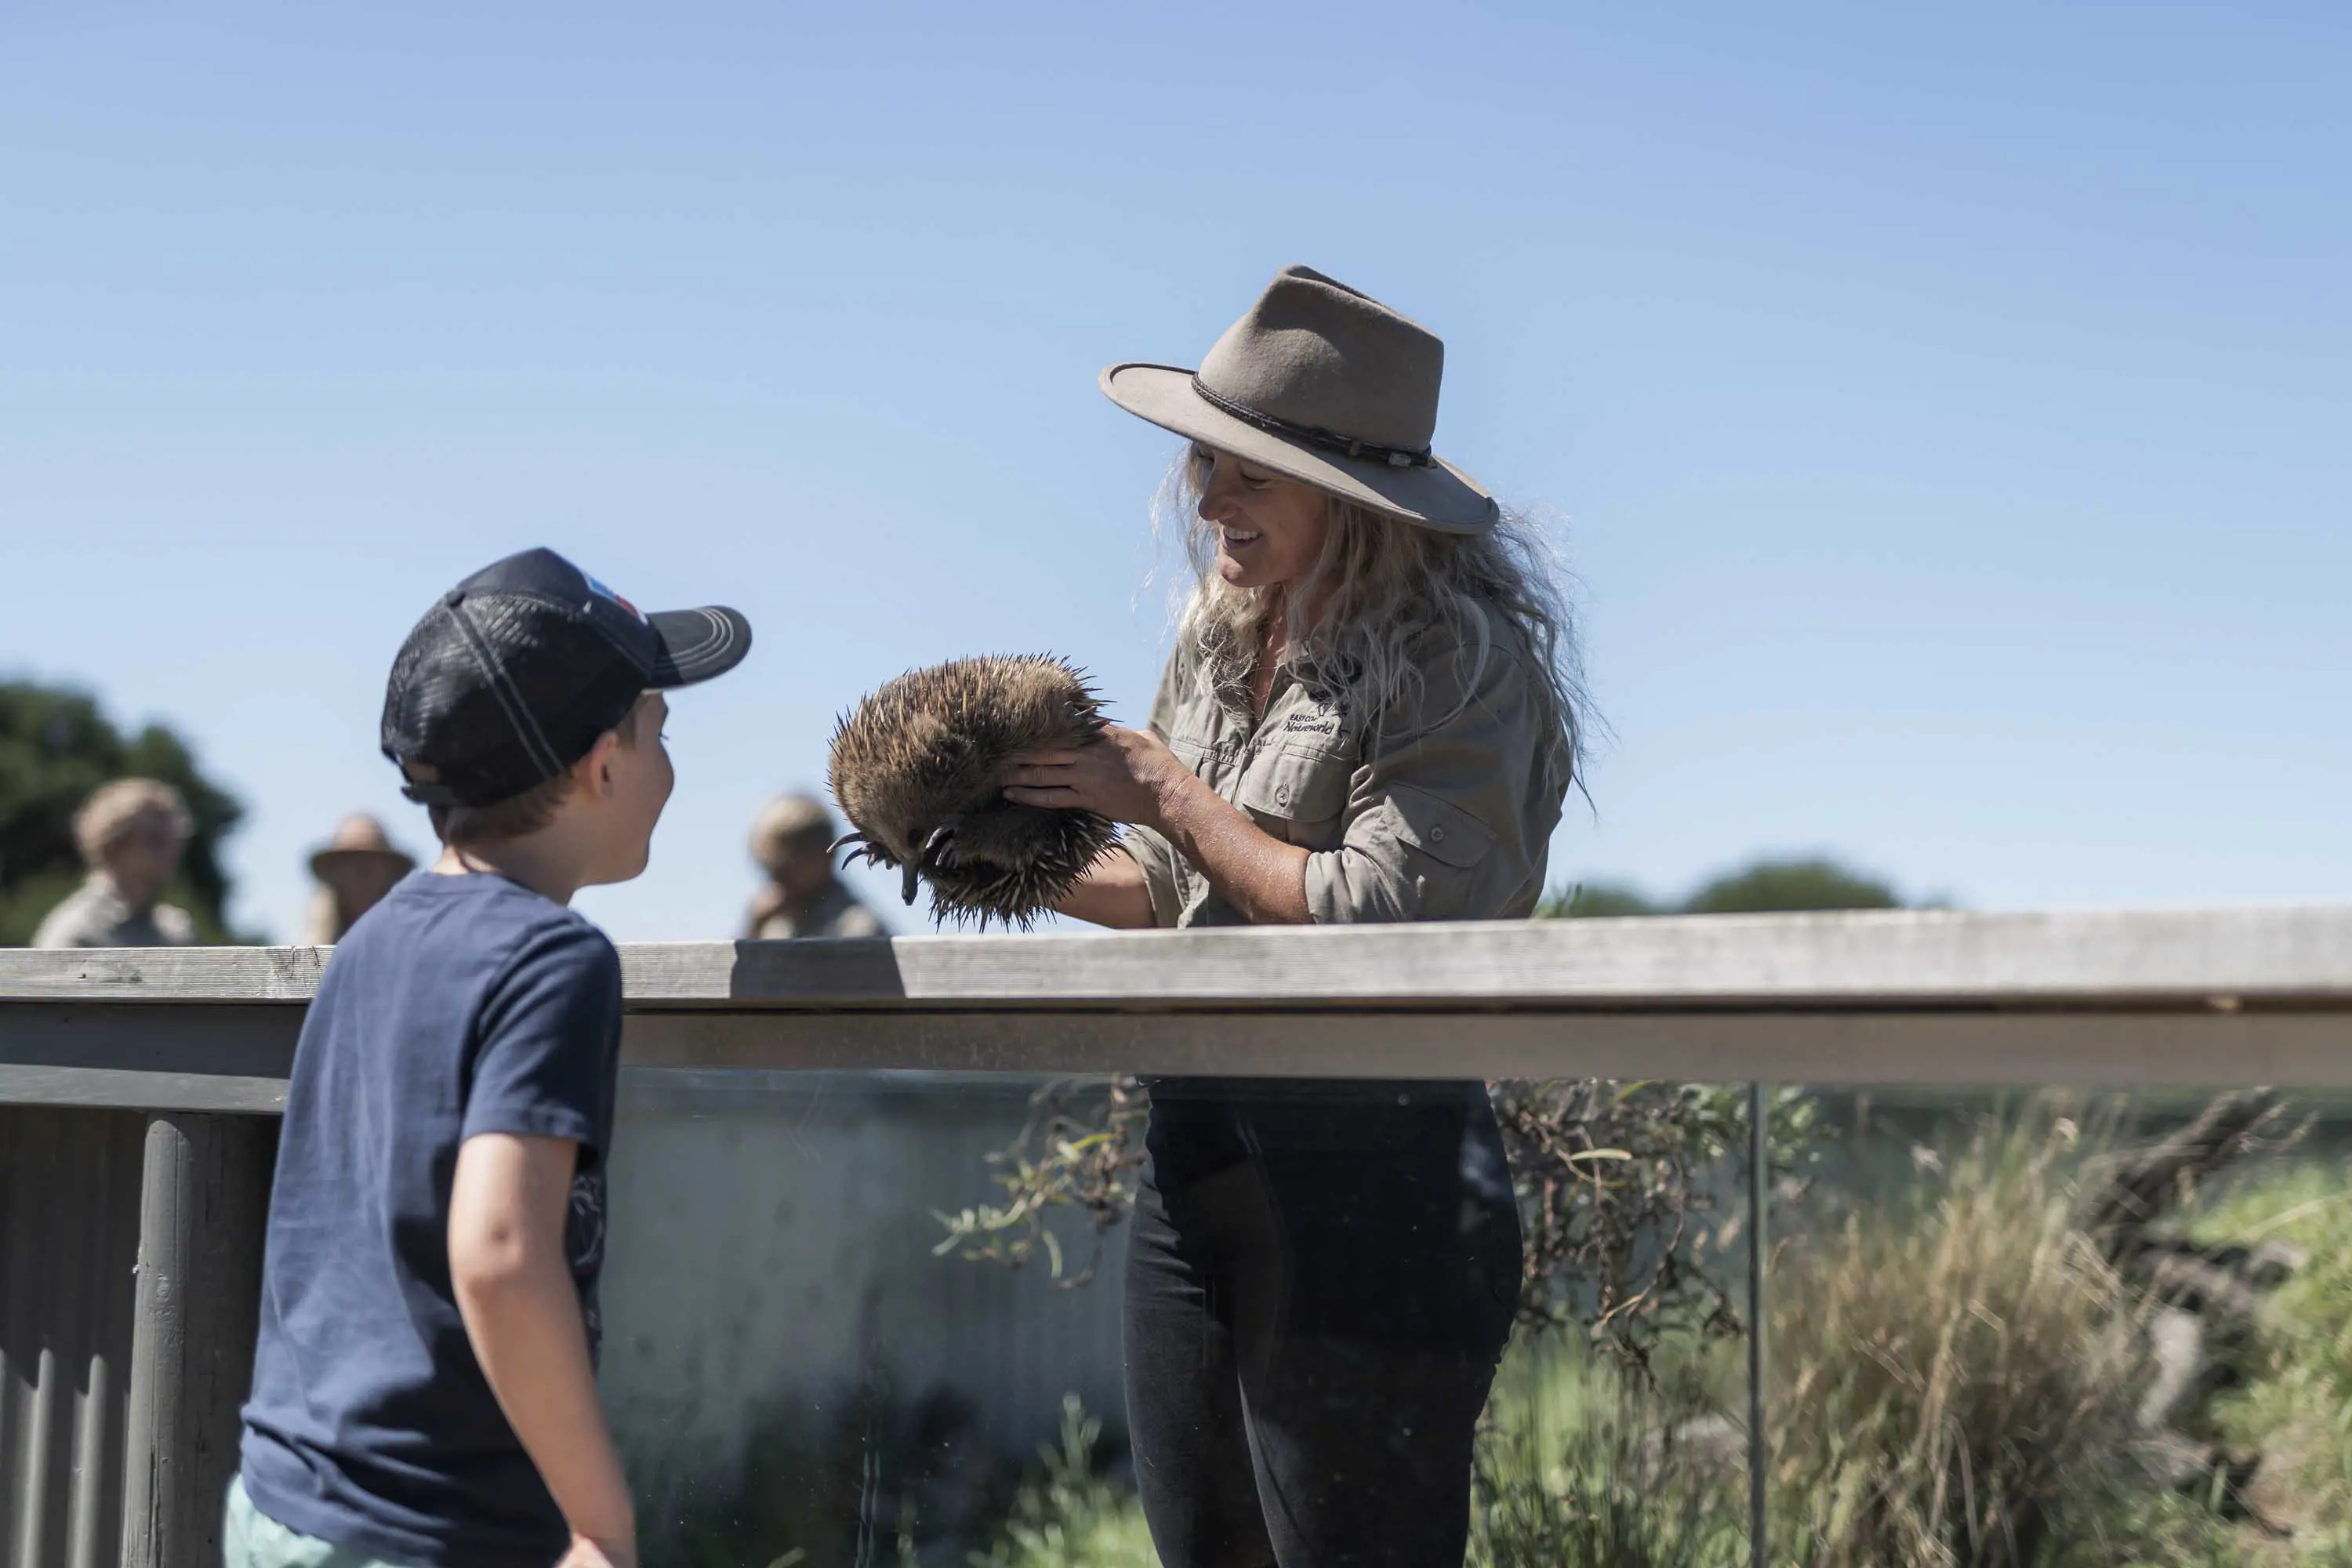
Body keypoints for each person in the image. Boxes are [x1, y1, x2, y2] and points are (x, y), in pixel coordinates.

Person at [1004, 266, 1582, 1567]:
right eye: (1209, 464)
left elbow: (1370, 910)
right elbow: (1178, 891)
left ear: (1352, 497)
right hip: (1197, 1147)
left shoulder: (1460, 663)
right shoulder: (1222, 639)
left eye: (1249, 472)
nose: (1211, 500)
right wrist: (1005, 855)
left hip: (1380, 1166)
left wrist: (1161, 787)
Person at [232, 548, 751, 1568]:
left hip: (285, 1497)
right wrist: (600, 1523)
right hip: (432, 1529)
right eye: (659, 730)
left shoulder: (374, 940)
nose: (671, 762)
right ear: (603, 766)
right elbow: (502, 1254)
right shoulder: (553, 960)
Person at [33, 777, 199, 948]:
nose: (170, 851)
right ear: (114, 843)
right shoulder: (77, 931)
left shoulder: (176, 931)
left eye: (174, 839)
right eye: (155, 840)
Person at [742, 791, 885, 938]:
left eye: (784, 871)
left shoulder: (860, 931)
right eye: (769, 871)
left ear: (824, 855)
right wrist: (753, 931)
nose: (775, 884)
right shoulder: (773, 925)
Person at [299, 813, 417, 944]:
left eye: (370, 865)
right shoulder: (323, 915)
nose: (360, 873)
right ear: (335, 872)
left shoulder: (408, 926)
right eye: (351, 862)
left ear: (389, 872)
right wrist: (321, 925)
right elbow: (305, 963)